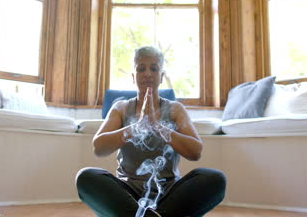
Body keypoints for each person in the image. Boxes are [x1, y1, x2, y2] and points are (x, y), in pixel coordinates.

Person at [76, 46, 226, 217]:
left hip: (168, 194)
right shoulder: (121, 108)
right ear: (133, 76)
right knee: (86, 177)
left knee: (214, 179)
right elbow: (98, 147)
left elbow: (195, 152)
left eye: (154, 68)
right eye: (141, 68)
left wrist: (158, 127)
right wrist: (136, 127)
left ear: (161, 76)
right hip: (128, 195)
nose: (147, 73)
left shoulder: (175, 109)